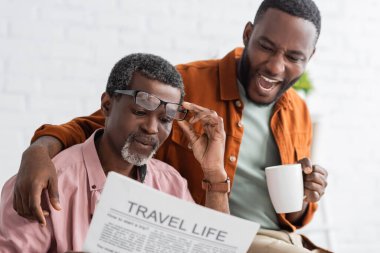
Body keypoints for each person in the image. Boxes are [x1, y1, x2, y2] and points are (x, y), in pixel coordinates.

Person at [12, 0, 330, 252]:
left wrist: (306, 197)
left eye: (293, 57)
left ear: (309, 58)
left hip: (281, 238)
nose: (276, 65)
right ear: (247, 35)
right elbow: (101, 126)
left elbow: (292, 215)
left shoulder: (298, 111)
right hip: (209, 234)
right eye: (266, 47)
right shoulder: (184, 84)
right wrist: (38, 151)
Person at [0, 53, 229, 252]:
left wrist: (214, 170)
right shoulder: (47, 183)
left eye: (165, 119)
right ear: (107, 105)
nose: (151, 128)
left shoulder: (171, 185)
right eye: (140, 111)